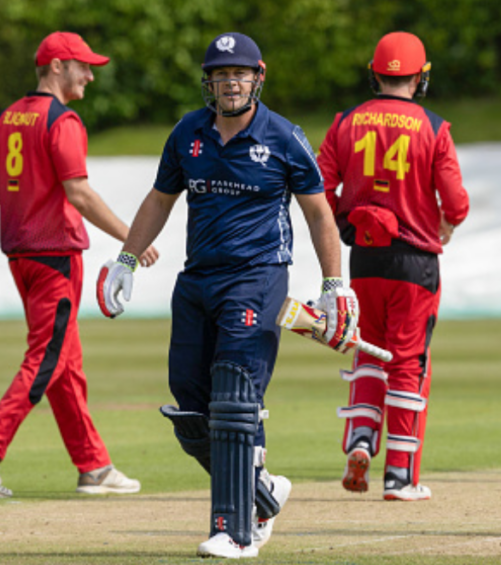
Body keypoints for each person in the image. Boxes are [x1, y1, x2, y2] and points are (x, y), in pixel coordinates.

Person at [96, 32, 358, 559]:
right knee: (191, 409)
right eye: (220, 75)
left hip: (258, 277)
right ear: (208, 82)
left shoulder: (284, 137)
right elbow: (159, 199)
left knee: (235, 399)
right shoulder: (188, 133)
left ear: (257, 78)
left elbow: (318, 213)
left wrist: (334, 286)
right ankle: (262, 492)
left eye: (239, 73)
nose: (230, 82)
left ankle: (233, 531)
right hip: (197, 280)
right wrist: (126, 258)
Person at [0, 31, 156, 499]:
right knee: (46, 358)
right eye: (83, 66)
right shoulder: (62, 121)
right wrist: (134, 237)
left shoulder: (5, 120)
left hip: (19, 258)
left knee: (66, 365)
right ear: (57, 66)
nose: (89, 75)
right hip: (55, 259)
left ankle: (94, 467)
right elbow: (79, 194)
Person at [317, 31, 470, 502]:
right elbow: (458, 203)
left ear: (374, 72)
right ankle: (400, 476)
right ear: (420, 77)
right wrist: (445, 221)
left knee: (369, 354)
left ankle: (362, 438)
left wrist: (349, 218)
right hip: (415, 261)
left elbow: (318, 186)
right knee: (408, 365)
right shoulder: (434, 126)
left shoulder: (345, 122)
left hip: (365, 258)